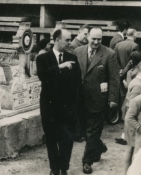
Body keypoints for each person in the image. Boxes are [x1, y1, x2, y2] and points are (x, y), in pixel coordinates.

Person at [74, 27, 119, 174]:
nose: (96, 42)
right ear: (87, 37)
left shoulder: (109, 54)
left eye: (99, 39)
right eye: (93, 39)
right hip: (80, 99)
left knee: (93, 131)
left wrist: (113, 99)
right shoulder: (78, 51)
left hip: (98, 100)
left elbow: (114, 78)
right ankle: (99, 147)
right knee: (83, 130)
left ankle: (87, 161)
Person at [36, 29, 81, 175]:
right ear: (56, 40)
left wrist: (74, 105)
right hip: (49, 106)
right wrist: (59, 67)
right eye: (67, 40)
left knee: (67, 139)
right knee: (51, 138)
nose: (69, 43)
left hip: (67, 107)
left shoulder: (72, 58)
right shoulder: (43, 58)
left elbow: (77, 83)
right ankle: (54, 168)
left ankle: (64, 168)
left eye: (70, 40)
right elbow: (43, 76)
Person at [116, 52, 141, 146]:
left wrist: (125, 83)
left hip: (131, 98)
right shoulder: (138, 71)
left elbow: (129, 85)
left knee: (129, 116)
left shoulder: (131, 72)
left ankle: (125, 137)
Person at [124, 93, 141, 175]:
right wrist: (139, 128)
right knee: (138, 162)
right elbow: (129, 117)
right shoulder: (137, 100)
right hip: (140, 138)